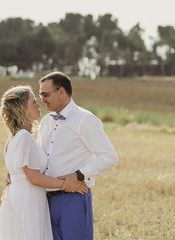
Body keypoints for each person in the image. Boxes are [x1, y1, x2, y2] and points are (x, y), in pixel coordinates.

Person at [0, 85, 88, 240]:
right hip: (28, 200)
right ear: (22, 108)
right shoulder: (24, 137)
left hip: (20, 197)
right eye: (33, 102)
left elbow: (15, 173)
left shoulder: (13, 138)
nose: (38, 105)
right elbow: (34, 177)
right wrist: (68, 184)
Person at [37, 71, 119, 240]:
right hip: (45, 201)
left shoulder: (85, 119)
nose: (42, 99)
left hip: (74, 199)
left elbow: (109, 156)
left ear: (61, 92)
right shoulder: (45, 122)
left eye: (45, 94)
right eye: (40, 95)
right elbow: (39, 158)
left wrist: (79, 175)